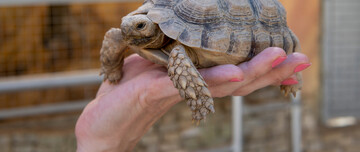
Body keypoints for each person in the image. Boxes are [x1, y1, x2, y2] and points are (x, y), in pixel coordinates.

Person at [75, 47, 310, 152]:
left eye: (140, 26)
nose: (131, 32)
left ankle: (291, 75)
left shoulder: (176, 50)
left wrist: (96, 145)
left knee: (178, 54)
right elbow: (118, 35)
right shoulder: (142, 39)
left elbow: (178, 51)